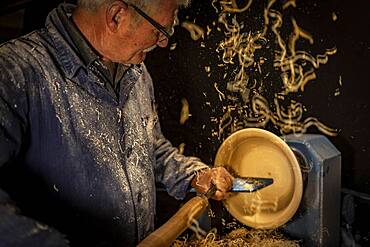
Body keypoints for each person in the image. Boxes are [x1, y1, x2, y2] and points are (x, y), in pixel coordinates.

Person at [0, 0, 233, 246]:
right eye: (159, 30)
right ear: (116, 16)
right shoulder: (15, 72)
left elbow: (150, 149)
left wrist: (193, 176)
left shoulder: (136, 71)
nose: (164, 42)